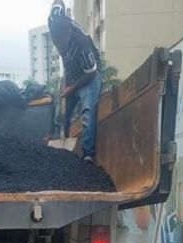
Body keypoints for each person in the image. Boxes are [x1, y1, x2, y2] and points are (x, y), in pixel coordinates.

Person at [49, 0, 103, 162]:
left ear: (68, 34)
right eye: (55, 42)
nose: (59, 46)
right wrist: (66, 82)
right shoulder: (54, 22)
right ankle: (59, 151)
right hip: (73, 73)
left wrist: (70, 89)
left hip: (89, 75)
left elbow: (90, 74)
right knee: (61, 113)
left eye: (61, 42)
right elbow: (58, 3)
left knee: (87, 111)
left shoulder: (82, 45)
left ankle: (88, 154)